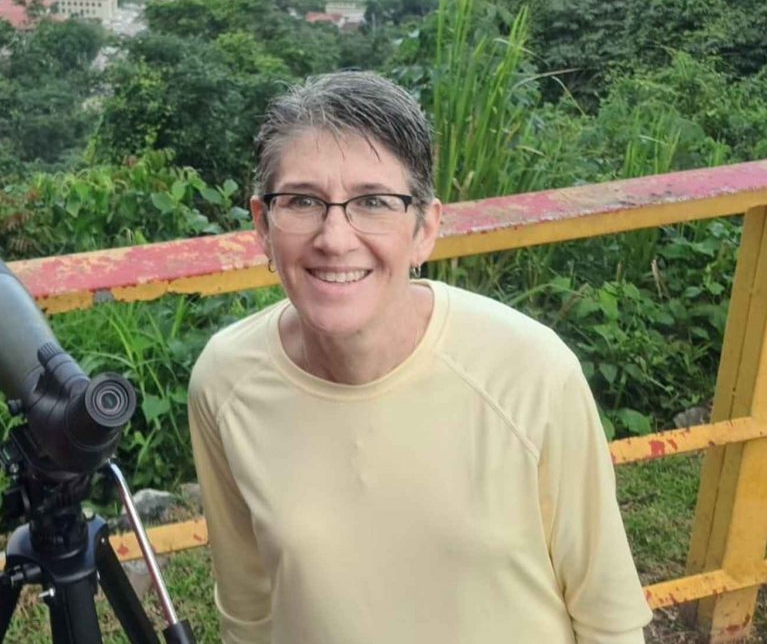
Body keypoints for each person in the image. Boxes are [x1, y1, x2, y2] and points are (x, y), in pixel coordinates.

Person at [188, 71, 653, 644]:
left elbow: (608, 619)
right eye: (303, 201)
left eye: (374, 202)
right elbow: (249, 610)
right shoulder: (226, 381)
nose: (335, 237)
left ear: (425, 230)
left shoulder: (531, 373)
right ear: (262, 225)